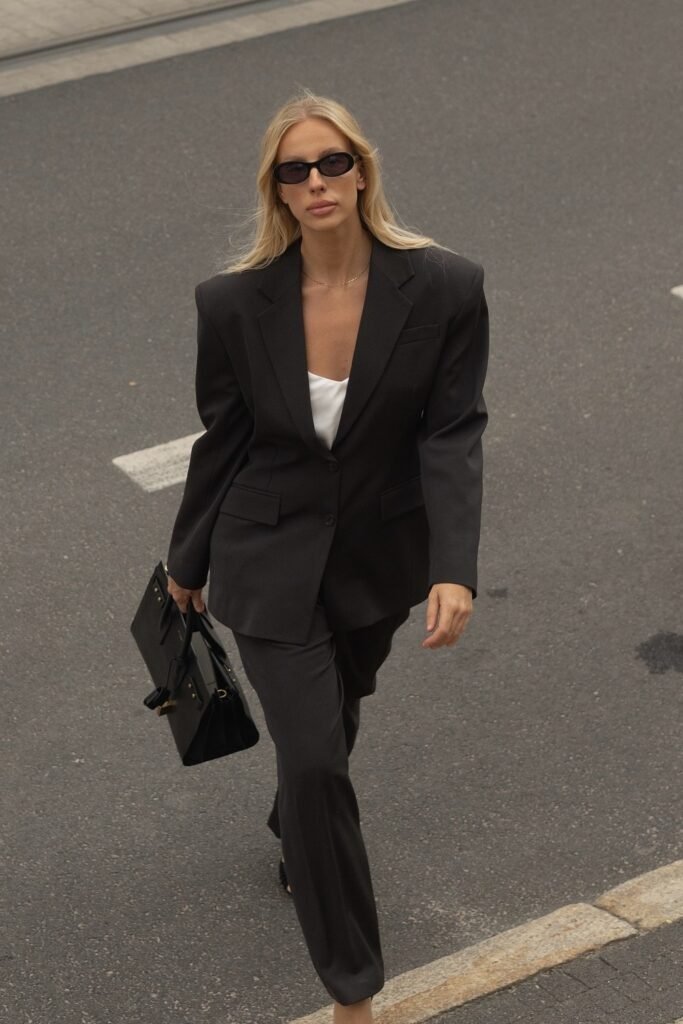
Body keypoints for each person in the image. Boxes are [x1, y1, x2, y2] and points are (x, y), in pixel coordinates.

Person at [165, 89, 489, 1024]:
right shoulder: (232, 304)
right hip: (265, 556)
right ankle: (354, 989)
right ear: (275, 188)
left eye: (331, 163)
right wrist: (186, 561)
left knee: (338, 715)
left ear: (362, 170)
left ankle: (295, 832)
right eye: (294, 169)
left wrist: (453, 565)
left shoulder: (442, 287)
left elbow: (453, 430)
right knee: (314, 758)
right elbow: (221, 439)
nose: (316, 182)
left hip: (377, 559)